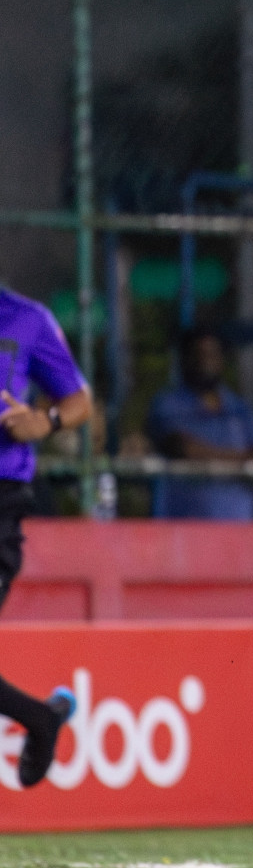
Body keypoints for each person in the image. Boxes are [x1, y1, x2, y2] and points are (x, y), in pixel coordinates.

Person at [0, 285, 91, 787]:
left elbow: (79, 401)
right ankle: (41, 717)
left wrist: (45, 421)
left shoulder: (27, 318)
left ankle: (41, 719)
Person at [146, 325, 253, 520]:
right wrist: (245, 462)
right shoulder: (168, 403)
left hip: (239, 528)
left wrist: (212, 458)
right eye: (197, 354)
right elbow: (183, 449)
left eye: (211, 354)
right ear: (184, 359)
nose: (204, 361)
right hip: (182, 528)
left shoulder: (239, 409)